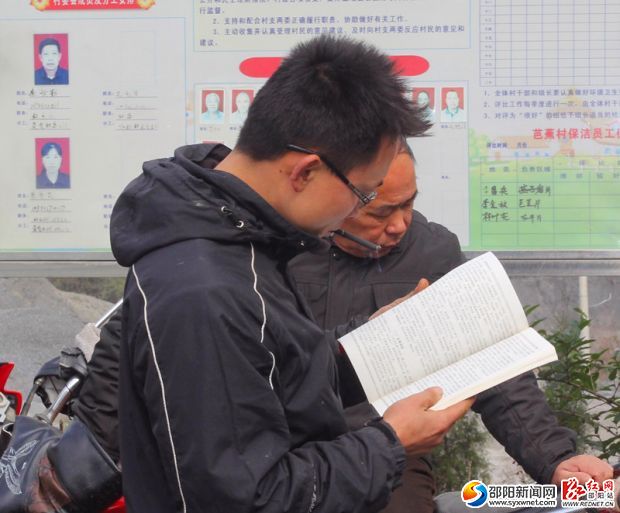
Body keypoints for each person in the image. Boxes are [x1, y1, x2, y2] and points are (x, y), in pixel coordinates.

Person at [109, 35, 473, 513]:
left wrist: (376, 341)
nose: (356, 213)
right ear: (305, 172)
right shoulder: (205, 291)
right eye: (364, 195)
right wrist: (390, 443)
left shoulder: (239, 235)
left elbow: (273, 372)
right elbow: (247, 499)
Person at [289, 141, 613, 513]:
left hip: (386, 448)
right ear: (333, 194)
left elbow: (494, 367)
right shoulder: (281, 250)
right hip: (280, 444)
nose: (399, 225)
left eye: (408, 203)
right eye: (379, 213)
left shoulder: (431, 252)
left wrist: (556, 460)